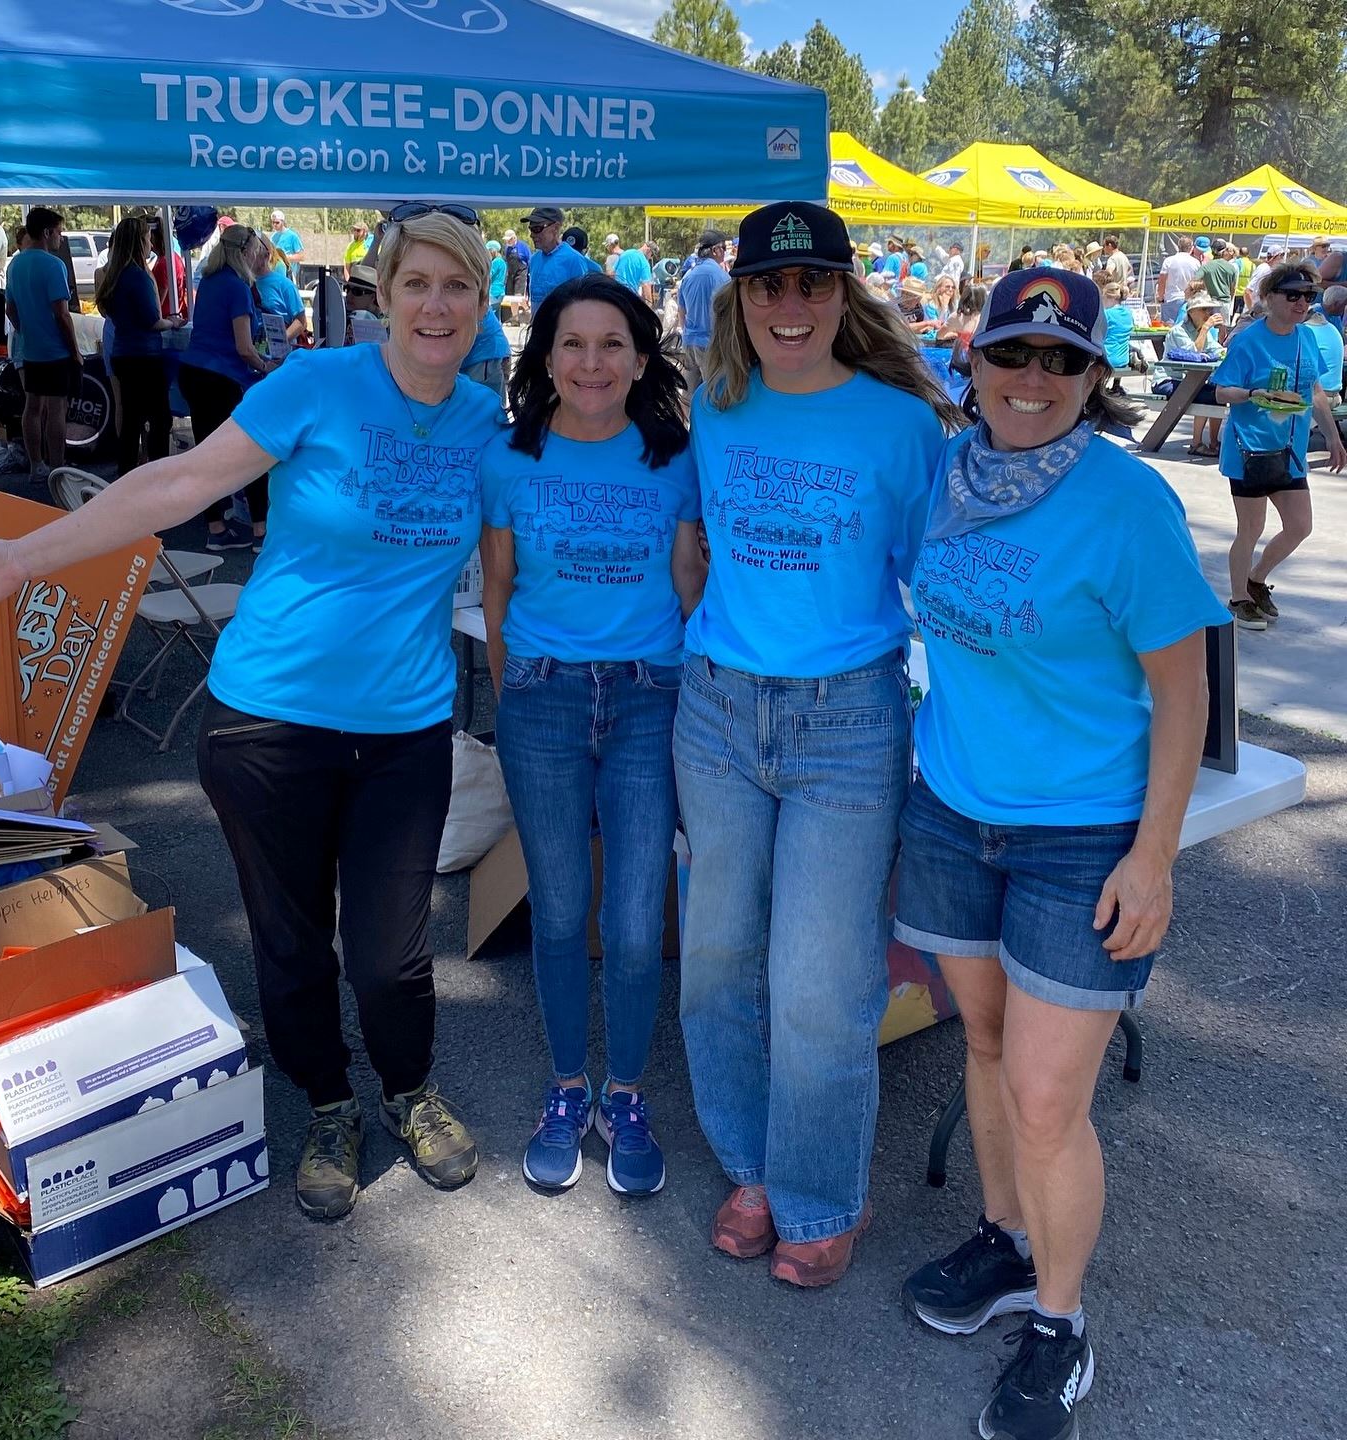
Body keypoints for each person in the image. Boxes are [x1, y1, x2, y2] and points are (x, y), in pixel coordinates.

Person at [0, 207, 504, 1223]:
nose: (437, 305)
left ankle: (409, 1091)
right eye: (419, 284)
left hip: (405, 731)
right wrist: (20, 560)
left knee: (391, 951)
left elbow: (531, 553)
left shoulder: (485, 427)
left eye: (458, 287)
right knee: (289, 941)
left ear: (482, 302)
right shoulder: (318, 386)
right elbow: (179, 481)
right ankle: (328, 1105)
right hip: (268, 724)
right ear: (385, 292)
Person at [895, 266, 1227, 1440]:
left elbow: (1183, 696)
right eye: (1013, 354)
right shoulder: (941, 474)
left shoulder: (1126, 503)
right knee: (983, 1047)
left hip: (1081, 835)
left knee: (1047, 1097)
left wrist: (1156, 856)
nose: (1034, 379)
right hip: (953, 810)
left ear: (1093, 378)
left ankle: (1060, 1320)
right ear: (972, 361)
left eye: (1063, 361)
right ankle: (1007, 1239)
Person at [677, 201, 955, 1288]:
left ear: (846, 293)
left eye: (813, 285)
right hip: (717, 711)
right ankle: (753, 1167)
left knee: (818, 980)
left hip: (848, 722)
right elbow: (694, 550)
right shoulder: (716, 406)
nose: (790, 306)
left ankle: (821, 1193)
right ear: (739, 298)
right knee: (714, 965)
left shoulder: (901, 425)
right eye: (767, 287)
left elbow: (941, 586)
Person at [478, 273, 704, 1197]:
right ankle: (567, 1089)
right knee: (562, 911)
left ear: (641, 358)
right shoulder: (507, 459)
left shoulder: (674, 457)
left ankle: (627, 1093)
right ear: (546, 358)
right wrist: (511, 695)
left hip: (652, 697)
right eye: (572, 344)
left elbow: (692, 585)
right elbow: (496, 589)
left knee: (637, 921)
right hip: (543, 699)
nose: (591, 362)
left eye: (612, 344)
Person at [1212, 262, 1347, 630]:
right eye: (1293, 295)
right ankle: (1239, 598)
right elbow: (1222, 390)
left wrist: (1333, 438)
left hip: (1290, 452)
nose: (1302, 303)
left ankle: (1256, 580)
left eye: (1308, 296)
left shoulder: (1307, 338)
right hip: (1249, 449)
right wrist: (1255, 394)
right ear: (1270, 298)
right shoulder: (1248, 340)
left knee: (1300, 526)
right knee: (1250, 529)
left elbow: (1316, 392)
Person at [177, 224, 271, 551]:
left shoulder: (211, 282)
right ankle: (262, 531)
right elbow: (245, 347)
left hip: (194, 372)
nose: (259, 257)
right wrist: (267, 366)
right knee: (251, 452)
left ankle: (216, 529)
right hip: (220, 378)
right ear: (245, 252)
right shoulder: (236, 287)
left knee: (208, 456)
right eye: (256, 252)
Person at [96, 216, 184, 476]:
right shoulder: (138, 277)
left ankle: (126, 471)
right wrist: (172, 322)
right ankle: (157, 473)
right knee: (160, 417)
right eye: (147, 239)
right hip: (144, 355)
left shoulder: (113, 275)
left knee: (131, 418)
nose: (150, 244)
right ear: (139, 242)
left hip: (122, 353)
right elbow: (151, 320)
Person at [6, 206, 81, 481]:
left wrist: (25, 330)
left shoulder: (15, 264)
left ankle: (36, 465)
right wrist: (75, 351)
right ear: (48, 232)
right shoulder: (54, 265)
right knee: (56, 408)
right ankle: (58, 465)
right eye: (59, 232)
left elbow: (10, 309)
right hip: (55, 349)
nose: (61, 238)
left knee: (33, 406)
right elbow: (62, 313)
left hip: (31, 349)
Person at [1159, 293, 1226, 457]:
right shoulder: (1178, 331)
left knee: (1218, 393)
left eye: (1210, 310)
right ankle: (1196, 443)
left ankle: (1214, 442)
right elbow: (1194, 353)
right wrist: (1205, 328)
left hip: (1188, 382)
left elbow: (1218, 350)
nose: (1208, 314)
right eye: (1204, 309)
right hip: (1167, 380)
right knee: (1204, 394)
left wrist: (1225, 338)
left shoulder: (1201, 332)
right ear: (1192, 312)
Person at [677, 229, 730, 392]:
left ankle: (689, 418)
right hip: (710, 343)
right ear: (715, 250)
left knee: (689, 394)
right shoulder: (722, 278)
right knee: (714, 392)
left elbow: (681, 311)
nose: (725, 253)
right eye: (724, 248)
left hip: (689, 342)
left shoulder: (688, 277)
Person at [521, 205, 591, 307]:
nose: (532, 235)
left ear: (555, 228)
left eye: (537, 228)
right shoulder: (534, 259)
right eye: (531, 229)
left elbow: (583, 303)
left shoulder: (574, 260)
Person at [256, 244, 308, 346]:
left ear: (267, 255)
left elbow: (301, 321)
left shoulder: (285, 285)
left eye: (254, 251)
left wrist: (279, 342)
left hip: (280, 355)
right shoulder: (242, 283)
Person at [149, 217, 188, 320]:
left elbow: (157, 304)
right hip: (171, 318)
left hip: (165, 321)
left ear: (151, 236)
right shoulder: (173, 257)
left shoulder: (164, 263)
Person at [1156, 237, 1200, 324]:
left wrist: (1161, 297)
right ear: (1191, 248)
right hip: (1189, 300)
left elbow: (1162, 280)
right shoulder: (1196, 263)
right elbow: (1198, 282)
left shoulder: (1169, 261)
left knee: (1168, 328)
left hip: (1171, 298)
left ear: (1178, 246)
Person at [1100, 282, 1133, 392]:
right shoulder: (1128, 313)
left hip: (1107, 359)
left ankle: (1098, 389)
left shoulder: (1107, 314)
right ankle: (1116, 385)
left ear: (1109, 297)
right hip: (1123, 359)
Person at [268, 209, 304, 282]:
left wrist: (285, 257)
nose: (275, 225)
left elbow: (301, 256)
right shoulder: (273, 237)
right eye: (273, 222)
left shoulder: (292, 236)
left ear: (283, 222)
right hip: (276, 274)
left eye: (277, 222)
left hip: (289, 274)